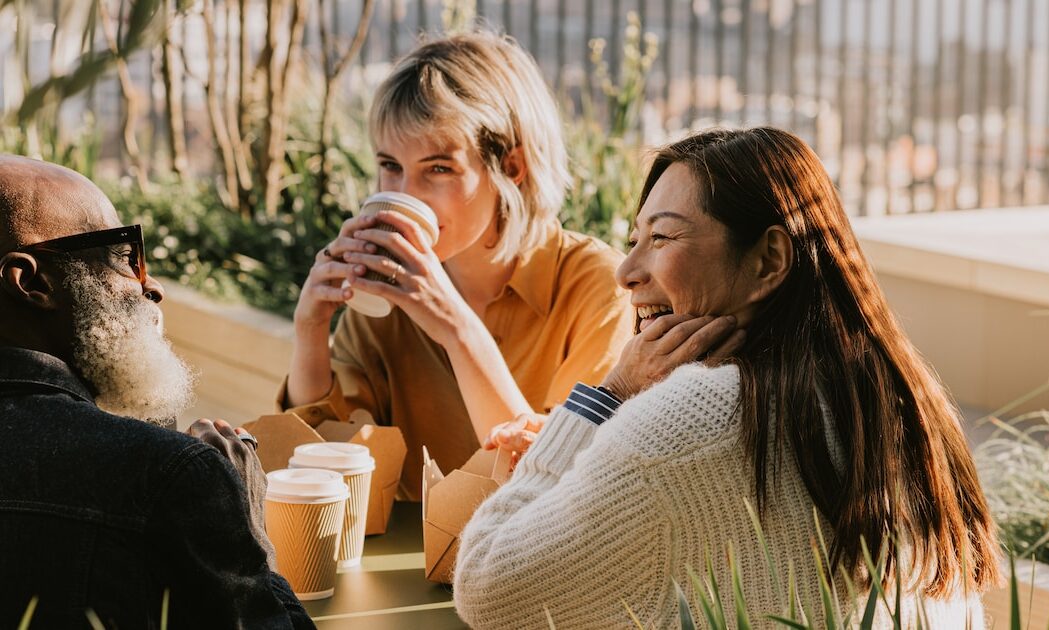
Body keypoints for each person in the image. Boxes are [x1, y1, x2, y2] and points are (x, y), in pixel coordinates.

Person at [454, 127, 1002, 628]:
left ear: (767, 261)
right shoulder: (896, 397)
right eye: (633, 240)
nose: (626, 273)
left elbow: (488, 591)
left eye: (663, 239)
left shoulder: (692, 419)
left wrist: (608, 397)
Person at [281, 31, 634, 500]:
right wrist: (310, 329)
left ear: (512, 167)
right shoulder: (385, 301)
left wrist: (456, 328)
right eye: (390, 165)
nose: (405, 193)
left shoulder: (599, 287)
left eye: (438, 168)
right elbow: (321, 472)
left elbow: (559, 489)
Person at [0, 155, 314, 628]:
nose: (153, 285)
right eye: (125, 256)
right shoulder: (172, 475)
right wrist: (247, 531)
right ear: (31, 282)